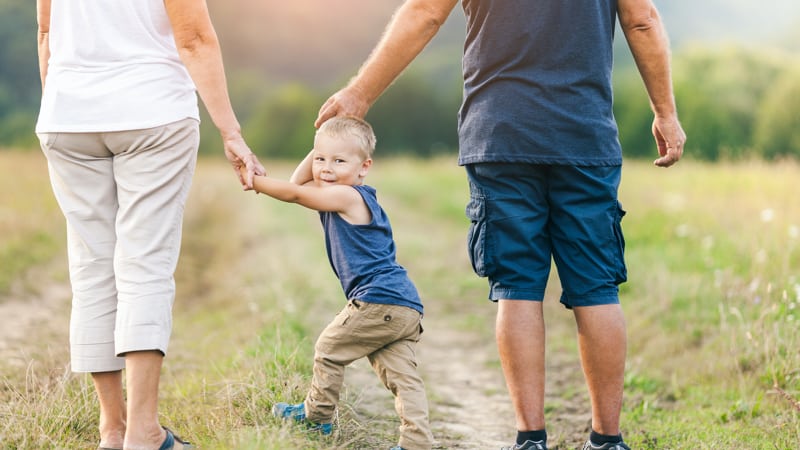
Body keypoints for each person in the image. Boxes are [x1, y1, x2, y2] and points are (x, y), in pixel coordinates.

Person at [314, 1, 686, 449]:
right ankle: (607, 441)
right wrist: (665, 111)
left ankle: (530, 439)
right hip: (583, 136)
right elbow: (642, 19)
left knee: (518, 286)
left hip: (500, 133)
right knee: (596, 287)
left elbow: (426, 13)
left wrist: (360, 94)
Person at [35, 0, 265, 449]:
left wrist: (64, 104)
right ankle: (143, 434)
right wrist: (231, 131)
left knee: (92, 268)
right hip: (152, 111)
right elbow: (194, 37)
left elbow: (47, 32)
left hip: (67, 116)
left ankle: (112, 431)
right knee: (144, 265)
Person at [242, 116, 433, 450]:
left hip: (377, 300)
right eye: (320, 159)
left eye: (339, 160)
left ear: (364, 167)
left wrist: (255, 181)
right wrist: (321, 145)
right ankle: (417, 442)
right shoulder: (344, 192)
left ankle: (317, 418)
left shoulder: (347, 196)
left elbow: (293, 193)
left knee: (328, 349)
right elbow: (298, 184)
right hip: (403, 304)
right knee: (403, 377)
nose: (326, 168)